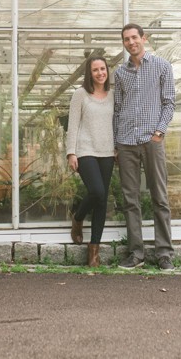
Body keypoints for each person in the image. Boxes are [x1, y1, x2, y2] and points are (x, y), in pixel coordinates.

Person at [112, 23, 175, 270]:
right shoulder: (120, 73)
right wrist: (116, 143)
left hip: (152, 140)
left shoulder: (162, 66)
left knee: (159, 197)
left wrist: (158, 133)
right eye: (126, 39)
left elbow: (169, 103)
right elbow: (117, 109)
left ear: (143, 39)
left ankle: (164, 254)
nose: (131, 42)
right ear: (124, 43)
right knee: (130, 199)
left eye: (134, 37)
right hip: (126, 142)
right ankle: (136, 253)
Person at [66, 55, 116, 268]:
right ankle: (78, 218)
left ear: (107, 71)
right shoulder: (80, 94)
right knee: (97, 192)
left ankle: (93, 251)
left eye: (103, 69)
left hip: (108, 152)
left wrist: (119, 149)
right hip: (85, 150)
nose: (100, 73)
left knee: (102, 202)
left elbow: (118, 122)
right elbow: (73, 124)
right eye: (95, 70)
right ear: (89, 73)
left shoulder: (114, 95)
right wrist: (71, 152)